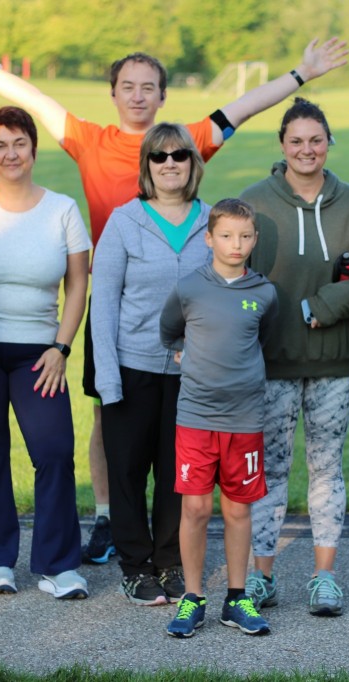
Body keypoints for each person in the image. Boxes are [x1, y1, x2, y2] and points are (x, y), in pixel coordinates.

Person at [0, 20, 348, 564]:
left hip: (187, 319)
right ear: (114, 94)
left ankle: (172, 540)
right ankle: (109, 518)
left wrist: (302, 74)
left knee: (178, 430)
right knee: (110, 415)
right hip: (118, 310)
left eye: (147, 86)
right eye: (128, 86)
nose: (137, 95)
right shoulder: (92, 141)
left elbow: (243, 107)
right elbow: (35, 98)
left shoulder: (183, 142)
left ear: (162, 95)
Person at [240, 98, 349, 617]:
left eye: (316, 140)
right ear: (282, 145)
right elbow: (232, 274)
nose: (306, 149)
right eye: (296, 140)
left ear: (328, 143)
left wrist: (320, 306)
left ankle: (324, 577)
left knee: (327, 468)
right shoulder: (253, 202)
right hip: (270, 363)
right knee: (270, 470)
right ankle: (262, 578)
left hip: (335, 362)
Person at [0, 106, 91, 599]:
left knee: (53, 451)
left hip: (40, 352)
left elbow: (78, 285)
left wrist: (61, 345)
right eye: (0, 145)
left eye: (19, 143)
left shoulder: (62, 209)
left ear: (34, 149)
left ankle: (59, 566)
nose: (10, 153)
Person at [90, 123, 211, 605]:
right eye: (159, 157)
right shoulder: (124, 221)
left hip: (192, 372)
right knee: (127, 471)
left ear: (192, 163)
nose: (169, 164)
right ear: (147, 166)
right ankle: (135, 566)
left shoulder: (211, 221)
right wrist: (107, 376)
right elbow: (104, 305)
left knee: (176, 474)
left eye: (179, 155)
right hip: (132, 367)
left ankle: (169, 560)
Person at [159, 198, 279, 638]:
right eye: (226, 235)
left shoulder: (264, 293)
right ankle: (192, 598)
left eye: (246, 236)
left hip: (244, 419)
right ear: (209, 238)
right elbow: (168, 328)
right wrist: (183, 351)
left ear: (255, 240)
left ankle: (235, 598)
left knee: (238, 511)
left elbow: (263, 337)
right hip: (195, 417)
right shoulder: (190, 288)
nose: (236, 244)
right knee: (194, 507)